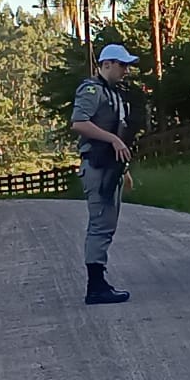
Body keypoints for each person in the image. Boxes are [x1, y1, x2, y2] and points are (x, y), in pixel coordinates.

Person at [70, 43, 138, 305]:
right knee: (100, 226)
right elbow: (79, 122)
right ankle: (95, 286)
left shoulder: (113, 94)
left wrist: (125, 168)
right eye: (122, 65)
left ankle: (99, 282)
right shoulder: (92, 90)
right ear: (106, 64)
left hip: (111, 168)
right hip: (97, 167)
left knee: (106, 225)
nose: (126, 70)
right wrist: (112, 140)